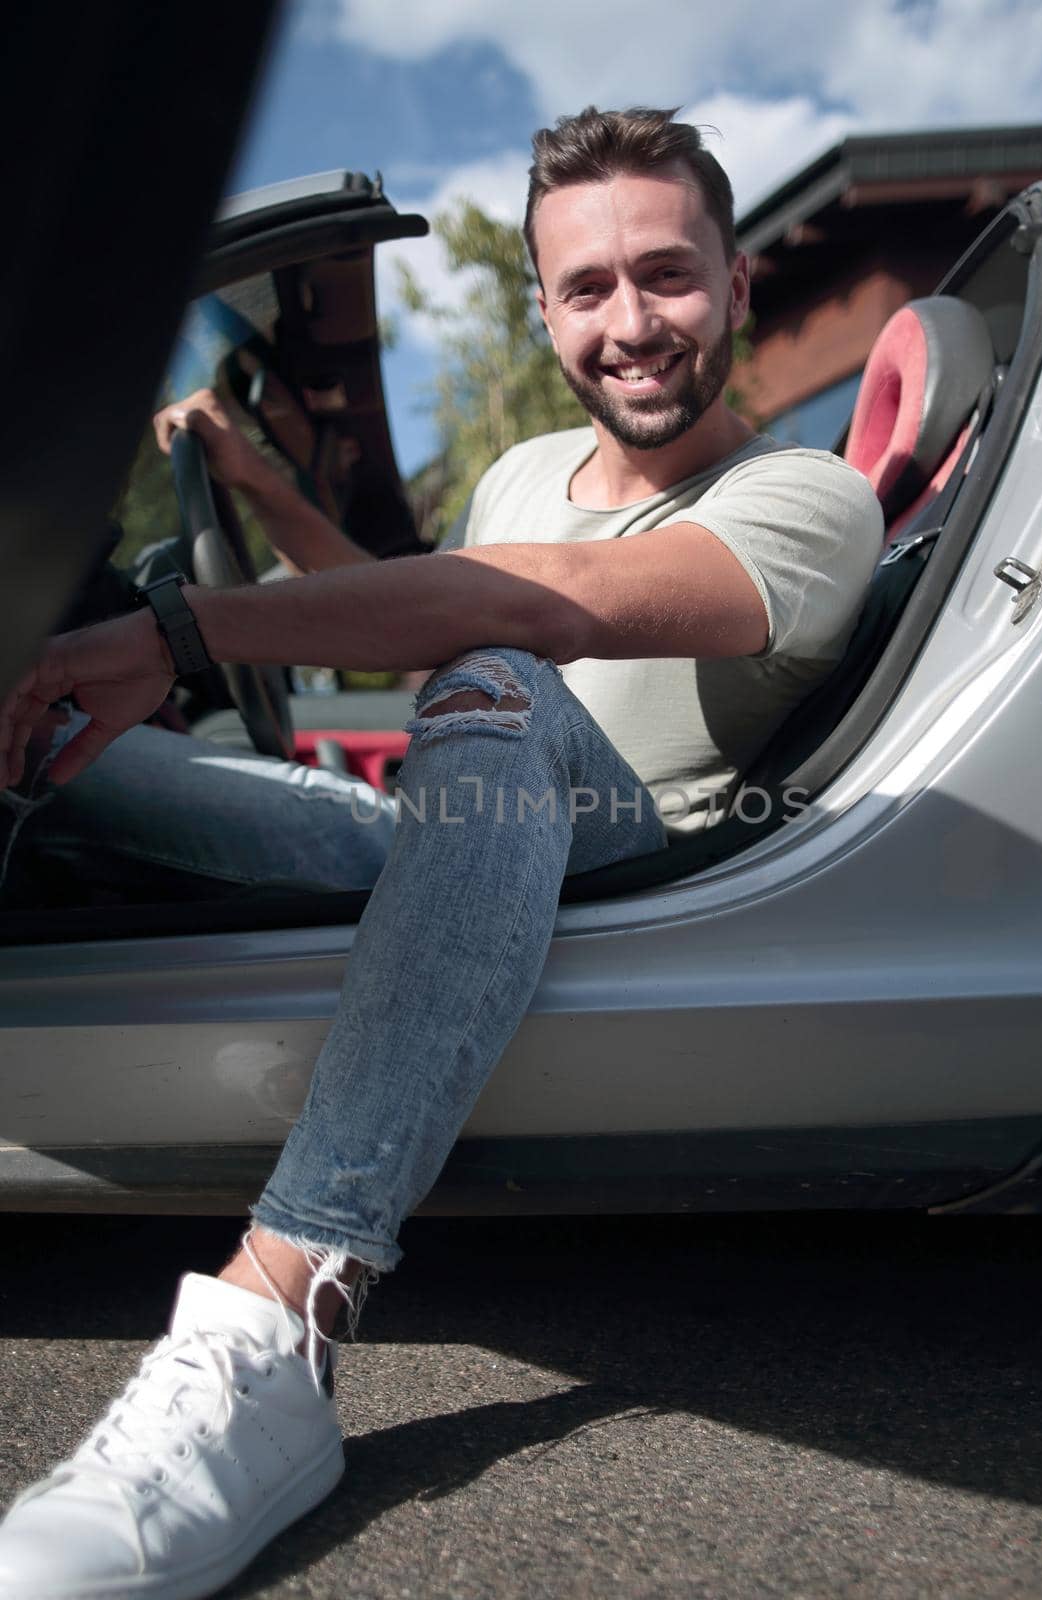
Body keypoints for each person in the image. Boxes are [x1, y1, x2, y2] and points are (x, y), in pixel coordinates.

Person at [0, 106, 881, 1599]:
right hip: (435, 833)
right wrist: (261, 487)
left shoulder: (808, 500)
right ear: (542, 312)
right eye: (586, 289)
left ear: (738, 287)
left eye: (667, 275)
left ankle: (280, 1314)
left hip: (616, 856)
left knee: (497, 680)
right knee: (57, 750)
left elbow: (536, 612)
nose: (631, 322)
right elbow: (421, 590)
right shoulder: (527, 472)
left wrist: (176, 627)